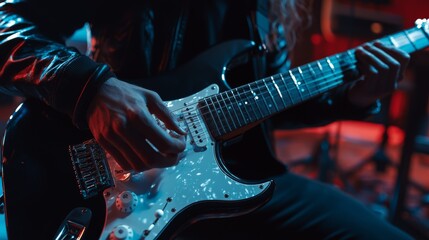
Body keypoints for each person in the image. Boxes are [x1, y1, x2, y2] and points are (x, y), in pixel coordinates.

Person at [0, 0, 414, 239]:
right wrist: (93, 90)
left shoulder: (270, 6)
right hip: (125, 180)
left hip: (232, 179)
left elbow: (265, 101)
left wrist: (355, 97)